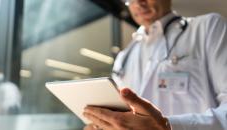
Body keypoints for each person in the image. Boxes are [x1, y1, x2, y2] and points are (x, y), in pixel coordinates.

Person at [83, 0, 227, 129]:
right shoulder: (124, 56)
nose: (138, 3)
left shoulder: (208, 27)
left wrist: (167, 126)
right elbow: (124, 116)